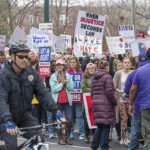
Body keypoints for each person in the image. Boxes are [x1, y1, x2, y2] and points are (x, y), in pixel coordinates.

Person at [0, 42, 59, 150]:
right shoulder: (3, 76)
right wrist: (7, 120)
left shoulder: (31, 73)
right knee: (12, 145)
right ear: (12, 57)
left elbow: (43, 92)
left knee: (39, 141)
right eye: (20, 57)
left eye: (26, 57)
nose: (24, 60)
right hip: (3, 118)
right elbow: (1, 100)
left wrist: (55, 109)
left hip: (22, 115)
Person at [89, 60, 117, 150]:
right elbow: (109, 91)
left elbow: (92, 92)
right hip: (105, 104)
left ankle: (93, 146)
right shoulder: (107, 77)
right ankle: (104, 147)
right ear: (107, 67)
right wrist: (114, 102)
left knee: (100, 125)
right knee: (106, 126)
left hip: (96, 103)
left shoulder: (94, 77)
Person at [124, 52, 148, 150]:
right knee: (148, 131)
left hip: (136, 106)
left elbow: (127, 91)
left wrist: (130, 104)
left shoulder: (132, 74)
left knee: (135, 131)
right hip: (146, 105)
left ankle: (132, 148)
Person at [50, 59, 74, 145]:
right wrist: (62, 84)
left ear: (64, 66)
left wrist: (66, 83)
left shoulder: (68, 76)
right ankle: (60, 139)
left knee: (69, 119)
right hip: (57, 102)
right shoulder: (53, 76)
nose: (59, 66)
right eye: (57, 65)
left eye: (60, 65)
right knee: (58, 120)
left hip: (67, 101)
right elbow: (54, 89)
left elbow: (71, 88)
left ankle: (67, 138)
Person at [66, 56, 85, 139]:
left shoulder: (81, 72)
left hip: (79, 98)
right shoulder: (66, 72)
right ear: (69, 64)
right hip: (70, 98)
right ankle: (70, 132)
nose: (72, 64)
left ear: (77, 63)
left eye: (74, 62)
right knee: (70, 116)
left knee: (79, 115)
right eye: (71, 62)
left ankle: (82, 133)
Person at [113, 57, 131, 144]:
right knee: (124, 119)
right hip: (121, 99)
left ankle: (131, 137)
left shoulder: (132, 73)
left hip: (131, 100)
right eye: (125, 62)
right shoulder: (118, 73)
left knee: (131, 119)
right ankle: (124, 138)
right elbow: (114, 86)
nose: (127, 64)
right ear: (123, 64)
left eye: (128, 62)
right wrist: (120, 91)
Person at [81, 63, 96, 143]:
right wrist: (92, 90)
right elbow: (83, 88)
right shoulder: (84, 77)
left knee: (94, 119)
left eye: (93, 68)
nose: (91, 69)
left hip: (95, 100)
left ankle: (93, 134)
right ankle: (86, 134)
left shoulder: (97, 77)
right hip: (86, 102)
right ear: (87, 69)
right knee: (87, 119)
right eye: (89, 68)